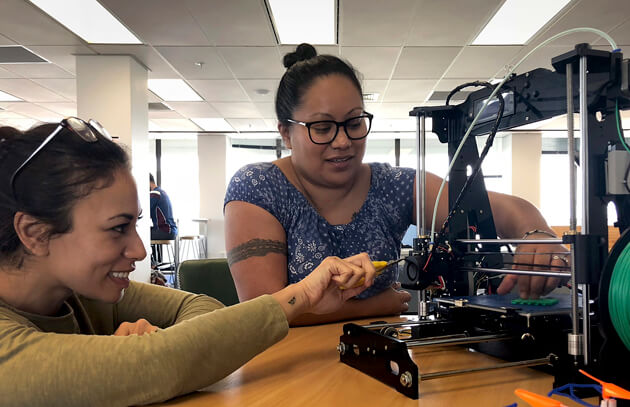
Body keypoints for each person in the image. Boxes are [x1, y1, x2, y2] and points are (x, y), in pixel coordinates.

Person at [0, 118, 377, 406]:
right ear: (34, 233)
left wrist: (163, 346)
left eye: (135, 225)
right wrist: (303, 295)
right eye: (117, 228)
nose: (139, 251)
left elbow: (199, 306)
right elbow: (159, 364)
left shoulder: (80, 295)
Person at [223, 43, 569, 326]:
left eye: (354, 122)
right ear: (286, 132)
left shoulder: (393, 185)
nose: (343, 141)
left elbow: (499, 209)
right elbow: (261, 309)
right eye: (323, 127)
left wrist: (537, 235)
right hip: (291, 368)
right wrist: (375, 306)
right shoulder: (258, 187)